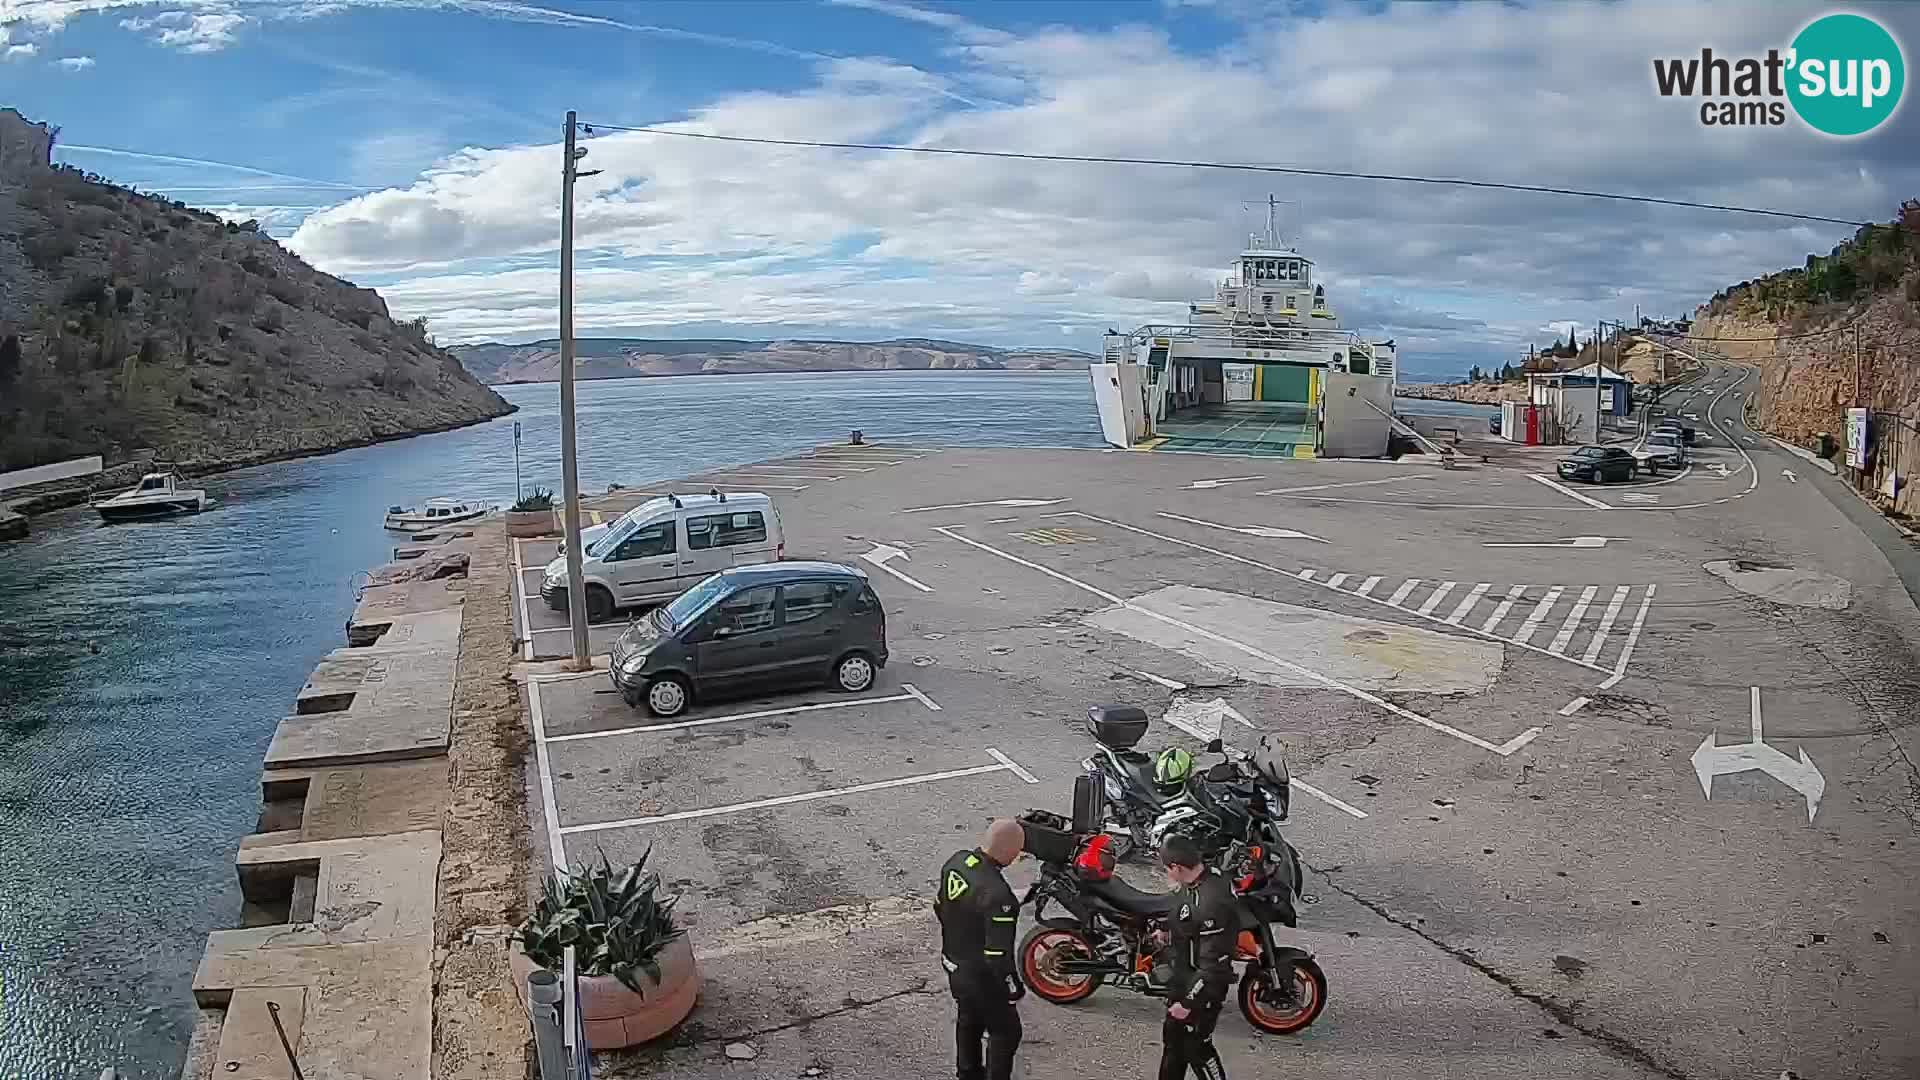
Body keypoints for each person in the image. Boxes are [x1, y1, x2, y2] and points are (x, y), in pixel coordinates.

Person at [935, 819, 1026, 1080]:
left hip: (953, 962)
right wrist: (1013, 988)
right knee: (1005, 1031)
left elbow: (939, 905)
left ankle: (967, 1073)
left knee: (969, 1018)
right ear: (1010, 851)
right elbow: (998, 956)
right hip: (980, 976)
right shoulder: (999, 897)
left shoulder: (958, 861)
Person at [1158, 833, 1236, 1080]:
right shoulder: (1203, 878)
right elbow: (1183, 906)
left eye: (1167, 869)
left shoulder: (1210, 904)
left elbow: (1212, 966)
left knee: (1197, 1047)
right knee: (1173, 1043)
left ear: (1177, 867)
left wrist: (1188, 1002)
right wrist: (1165, 927)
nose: (1167, 874)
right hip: (1184, 979)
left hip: (1203, 989)